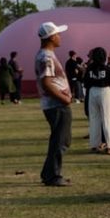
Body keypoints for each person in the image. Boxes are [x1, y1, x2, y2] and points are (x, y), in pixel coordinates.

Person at [35, 22, 74, 186]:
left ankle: (48, 172)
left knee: (59, 139)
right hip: (56, 105)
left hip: (55, 103)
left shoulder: (46, 55)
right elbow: (47, 82)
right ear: (51, 37)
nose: (60, 37)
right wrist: (63, 98)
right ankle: (53, 175)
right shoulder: (46, 57)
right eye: (57, 34)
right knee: (60, 140)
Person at [81, 46, 110, 154]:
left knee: (94, 119)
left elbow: (86, 82)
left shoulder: (89, 68)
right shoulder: (107, 68)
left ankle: (94, 145)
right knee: (108, 118)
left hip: (92, 92)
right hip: (105, 91)